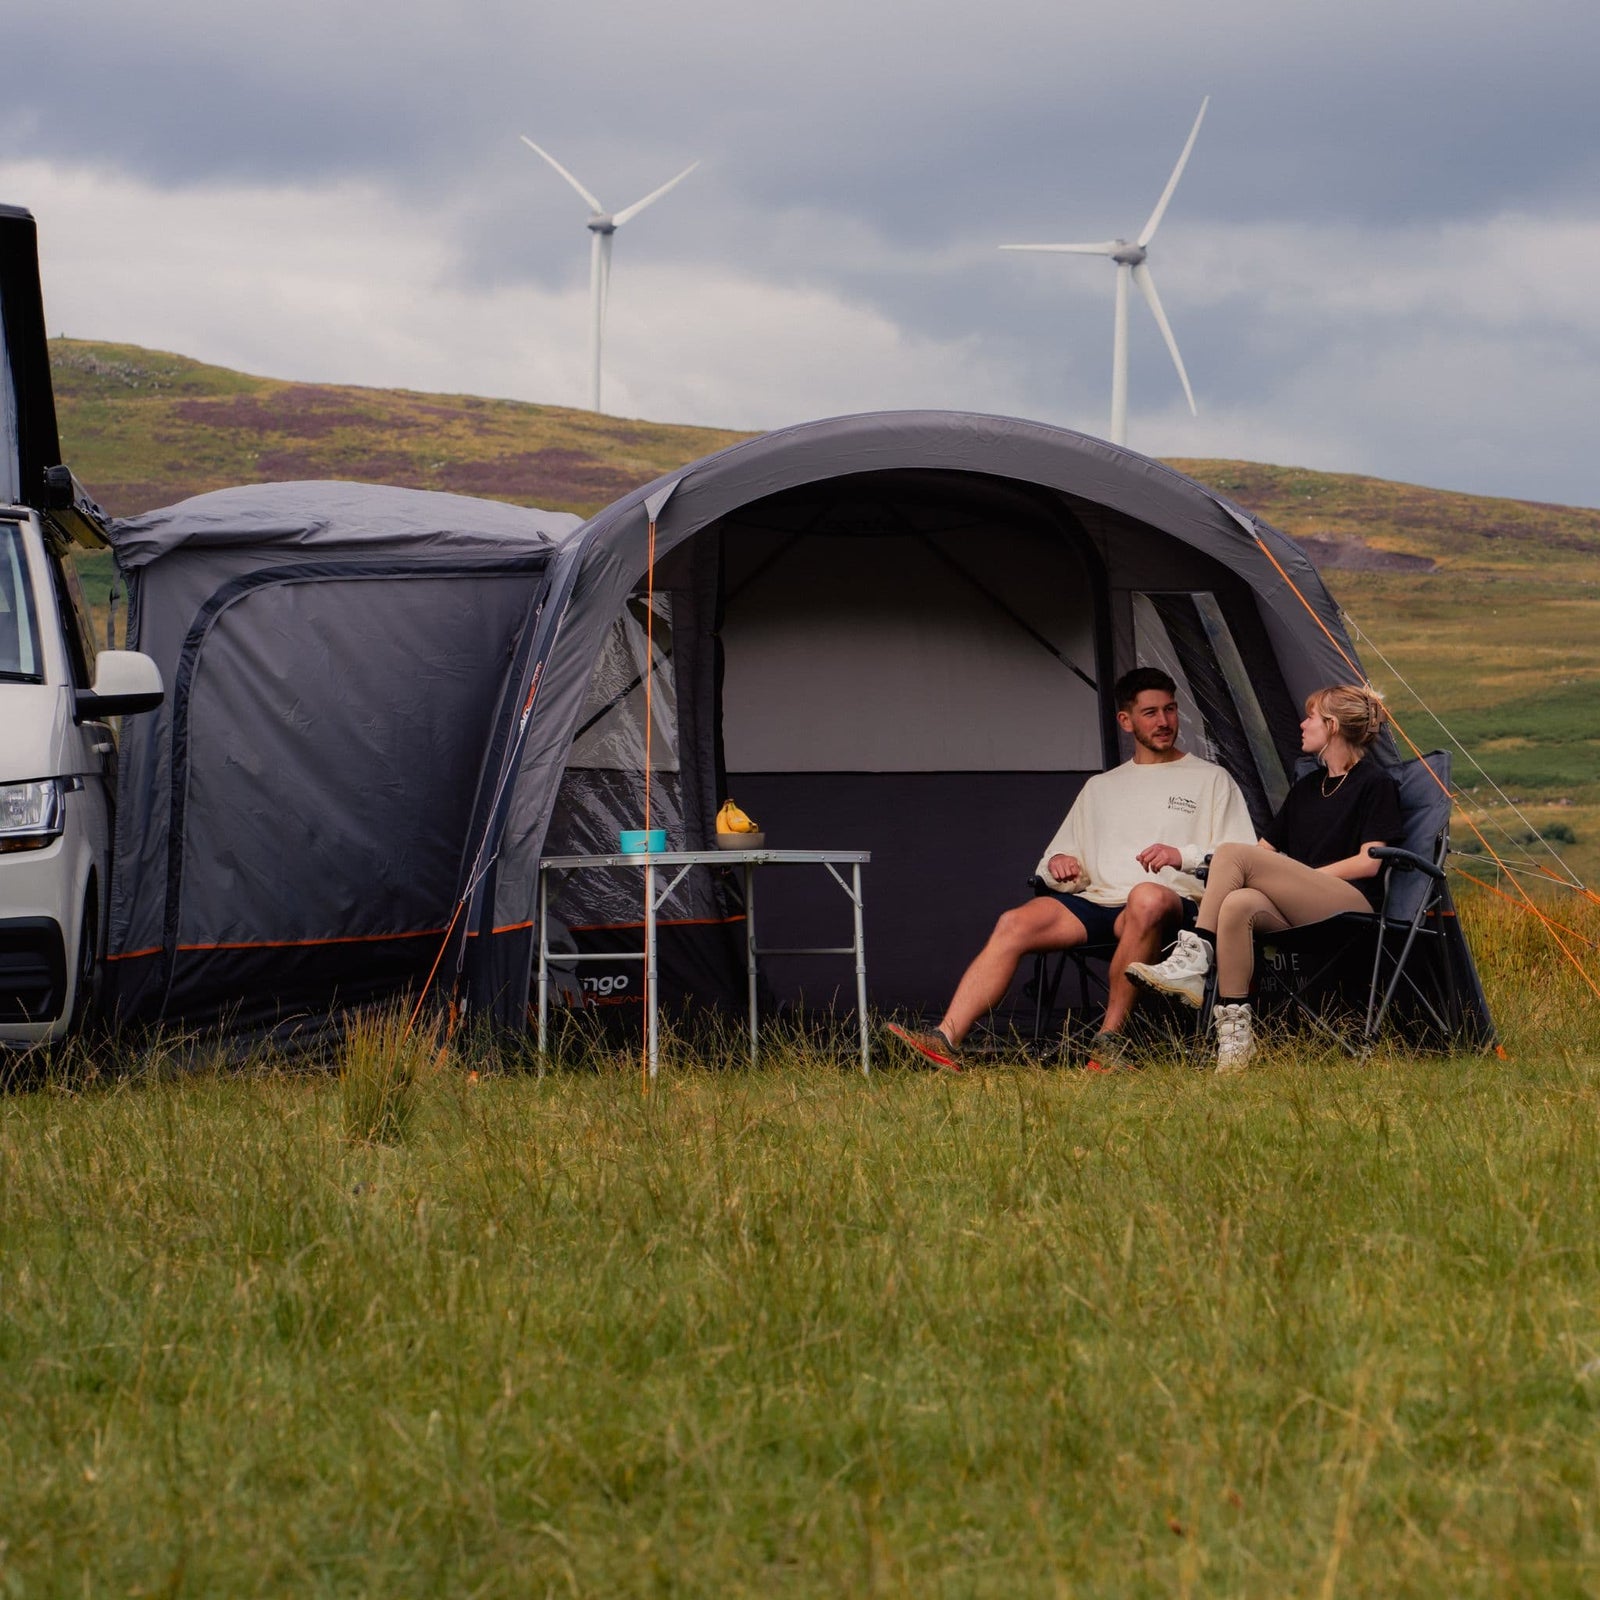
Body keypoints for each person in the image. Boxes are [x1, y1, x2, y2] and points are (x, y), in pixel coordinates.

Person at [885, 667, 1256, 1071]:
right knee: (1014, 921)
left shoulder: (1211, 779)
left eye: (1170, 710)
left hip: (1173, 909)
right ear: (1126, 720)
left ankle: (1108, 1044)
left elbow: (1243, 858)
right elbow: (1052, 863)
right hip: (1099, 902)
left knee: (1145, 896)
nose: (1164, 722)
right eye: (1150, 713)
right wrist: (1059, 864)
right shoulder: (1101, 787)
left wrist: (1180, 854)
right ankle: (945, 1039)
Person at [1125, 683, 1403, 1073]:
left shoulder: (1374, 783)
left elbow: (1369, 862)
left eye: (1311, 717)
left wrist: (1300, 876)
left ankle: (1196, 954)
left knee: (1233, 853)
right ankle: (1237, 1035)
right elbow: (1263, 854)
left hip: (1351, 906)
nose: (1302, 724)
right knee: (1239, 904)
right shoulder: (1307, 788)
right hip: (1302, 909)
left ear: (1333, 726)